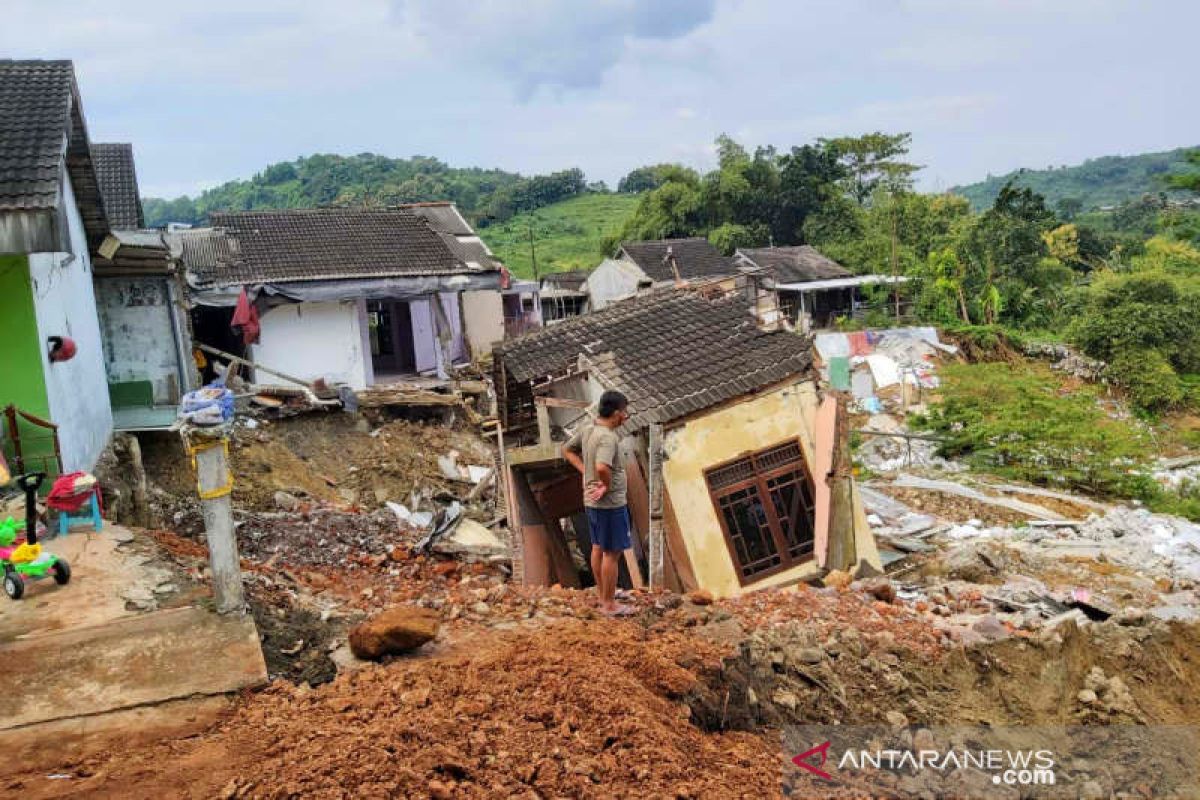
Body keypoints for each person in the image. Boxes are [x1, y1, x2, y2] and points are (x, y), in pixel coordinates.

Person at [562, 390, 632, 616]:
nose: (626, 416)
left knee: (597, 547)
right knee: (612, 553)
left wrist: (585, 473)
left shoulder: (588, 428)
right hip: (610, 504)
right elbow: (602, 467)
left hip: (592, 503)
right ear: (615, 413)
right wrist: (605, 485)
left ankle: (604, 594)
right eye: (624, 412)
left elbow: (567, 450)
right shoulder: (608, 438)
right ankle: (610, 605)